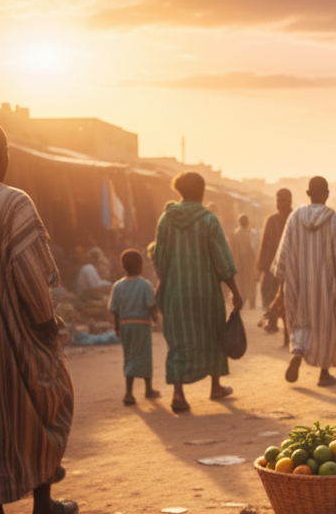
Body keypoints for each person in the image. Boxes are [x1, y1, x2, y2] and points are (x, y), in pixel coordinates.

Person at [0, 118, 78, 514]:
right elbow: (32, 278)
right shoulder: (11, 202)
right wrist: (47, 324)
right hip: (10, 336)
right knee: (42, 408)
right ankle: (43, 504)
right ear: (2, 155)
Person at [149, 171, 243, 413]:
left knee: (179, 341)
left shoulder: (165, 220)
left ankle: (178, 394)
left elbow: (158, 258)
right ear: (202, 192)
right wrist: (235, 291)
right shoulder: (209, 220)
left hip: (175, 293)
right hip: (206, 292)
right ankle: (215, 386)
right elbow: (222, 259)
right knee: (212, 334)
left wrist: (167, 281)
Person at [271, 175, 336, 388]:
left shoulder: (294, 217)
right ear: (327, 194)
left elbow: (284, 252)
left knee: (301, 321)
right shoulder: (334, 220)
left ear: (308, 194)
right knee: (327, 325)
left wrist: (281, 279)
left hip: (298, 283)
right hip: (327, 284)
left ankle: (298, 352)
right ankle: (324, 373)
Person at [108, 248, 160, 406]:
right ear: (140, 266)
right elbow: (151, 305)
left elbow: (115, 310)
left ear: (123, 266)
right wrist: (155, 317)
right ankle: (148, 389)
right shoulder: (145, 285)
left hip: (125, 325)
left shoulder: (118, 286)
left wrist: (117, 327)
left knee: (129, 356)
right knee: (145, 355)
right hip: (142, 325)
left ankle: (129, 392)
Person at [257, 189, 292, 334]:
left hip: (291, 268)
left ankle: (289, 328)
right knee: (270, 294)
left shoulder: (295, 218)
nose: (278, 203)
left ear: (289, 201)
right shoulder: (271, 220)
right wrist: (260, 267)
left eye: (282, 200)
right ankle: (272, 322)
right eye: (277, 199)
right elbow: (264, 244)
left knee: (290, 299)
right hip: (272, 268)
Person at [230, 213, 258, 307]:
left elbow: (232, 248)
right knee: (250, 281)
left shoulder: (236, 233)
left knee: (241, 281)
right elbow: (252, 248)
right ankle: (251, 301)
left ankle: (242, 299)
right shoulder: (250, 233)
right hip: (248, 260)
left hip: (239, 261)